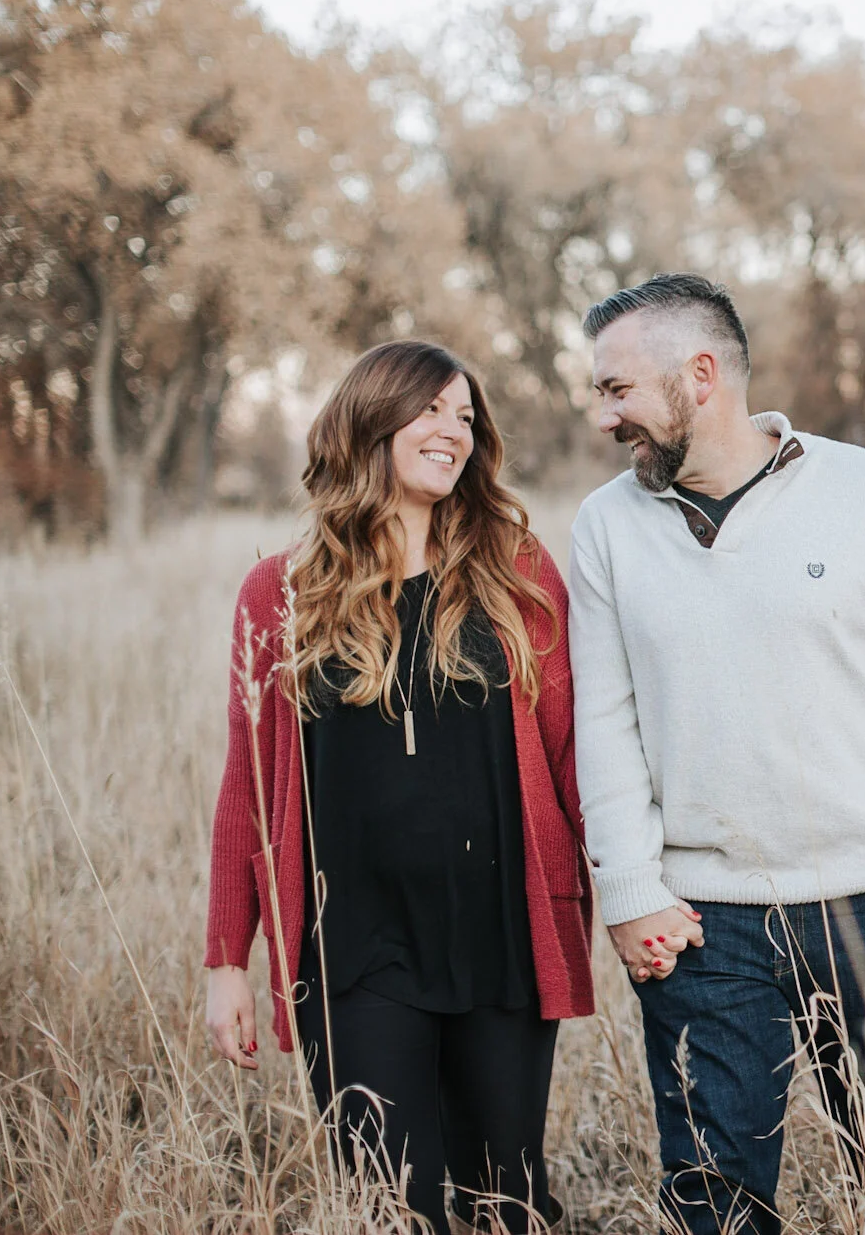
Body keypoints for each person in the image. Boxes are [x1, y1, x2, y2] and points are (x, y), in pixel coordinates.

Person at [569, 274, 865, 1233]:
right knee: (714, 1195)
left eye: (617, 389)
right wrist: (629, 887)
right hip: (700, 918)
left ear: (700, 373)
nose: (603, 417)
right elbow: (602, 725)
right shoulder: (605, 527)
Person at [202, 340, 592, 1235]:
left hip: (502, 936)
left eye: (466, 416)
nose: (453, 430)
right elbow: (249, 786)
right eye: (431, 409)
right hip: (353, 951)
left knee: (511, 1202)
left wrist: (629, 893)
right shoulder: (282, 593)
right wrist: (229, 956)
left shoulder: (517, 573)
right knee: (389, 1207)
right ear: (371, 420)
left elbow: (574, 752)